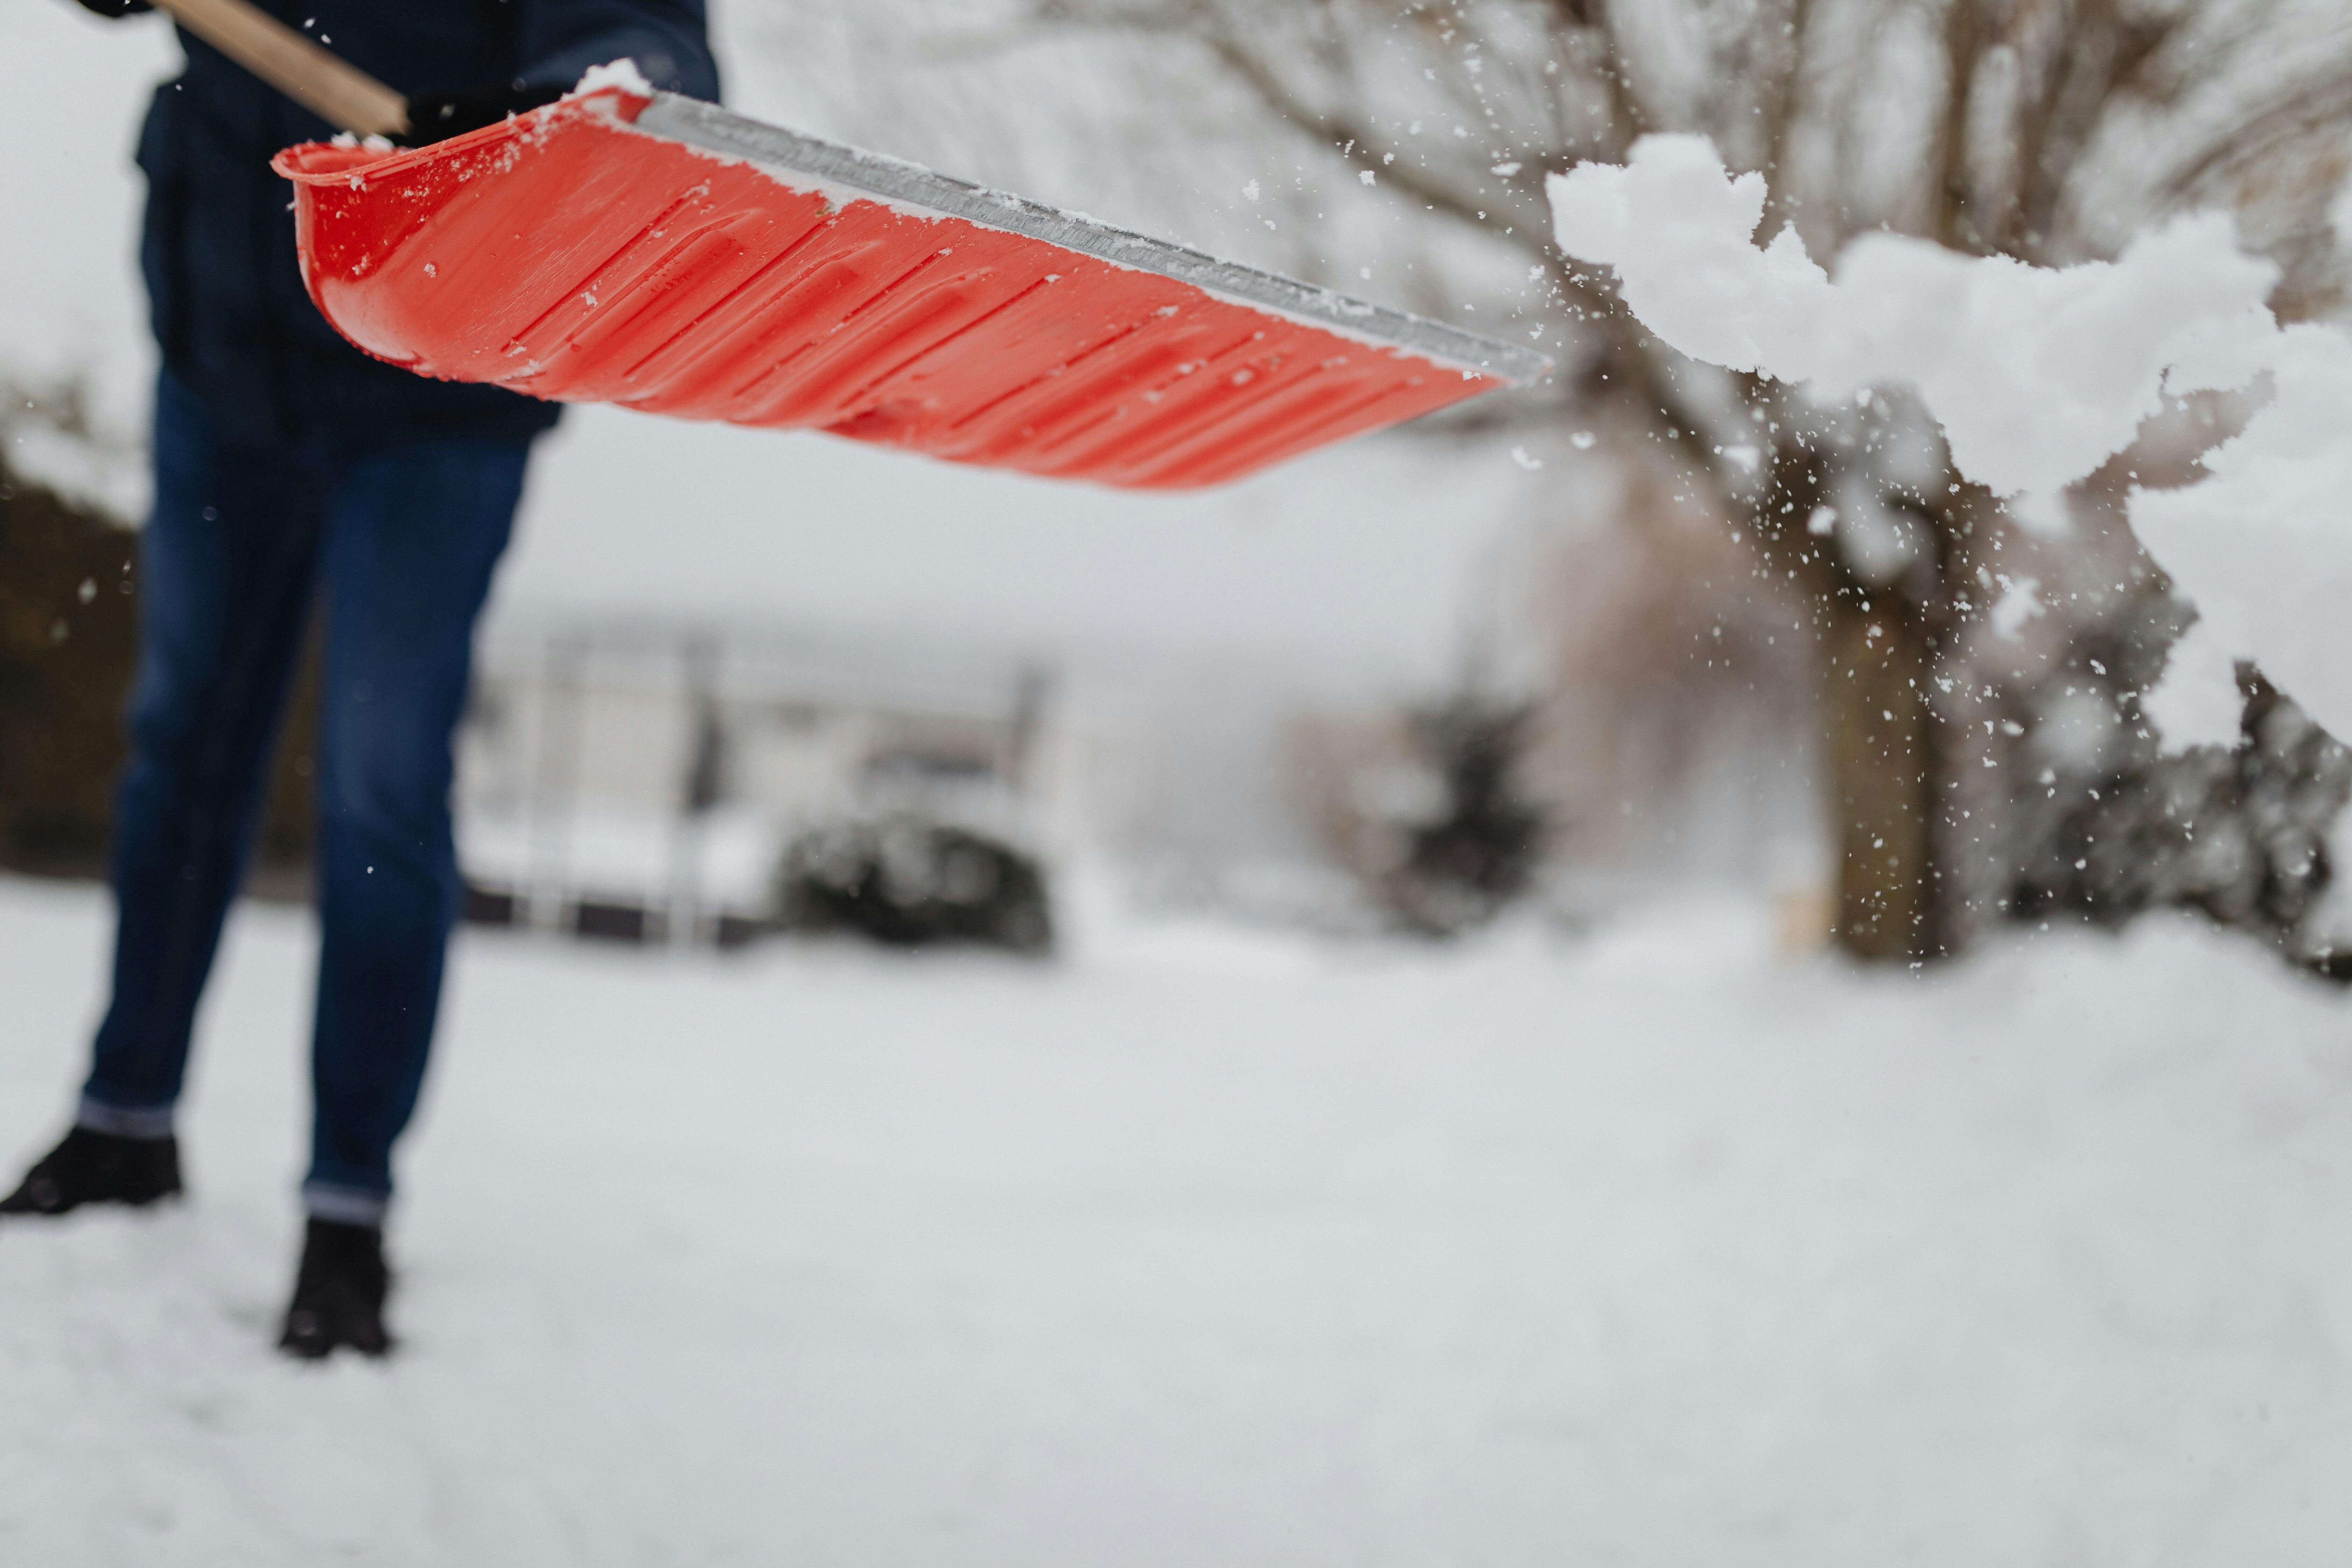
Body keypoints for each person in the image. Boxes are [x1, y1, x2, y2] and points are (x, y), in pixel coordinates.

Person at [0, 0, 720, 1359]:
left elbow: (649, 44)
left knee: (381, 786)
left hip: (444, 369)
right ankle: (125, 1119)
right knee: (183, 743)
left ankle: (348, 1203)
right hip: (229, 330)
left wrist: (554, 119)